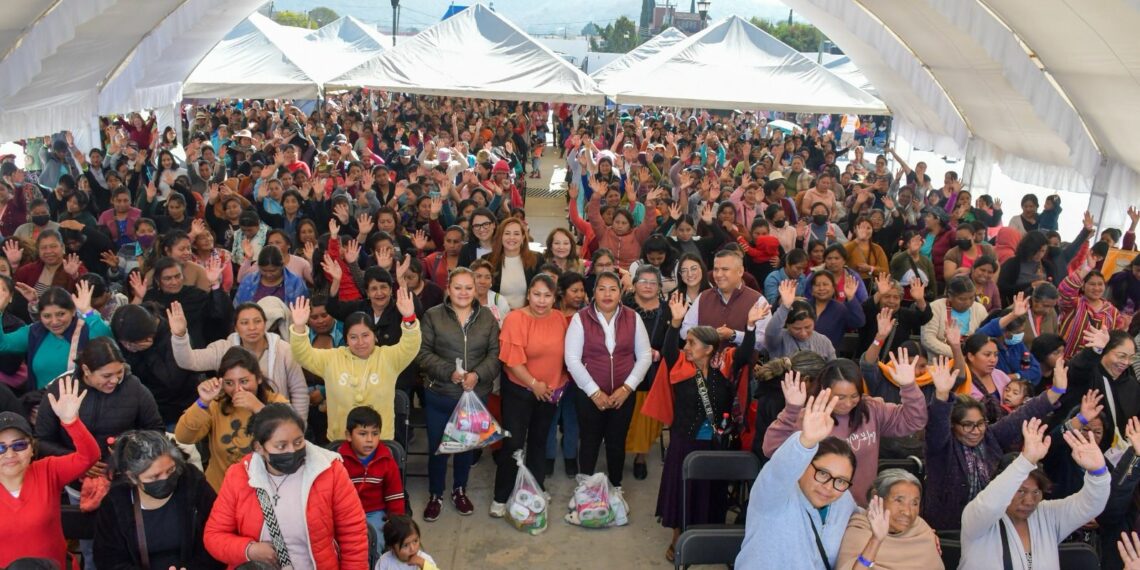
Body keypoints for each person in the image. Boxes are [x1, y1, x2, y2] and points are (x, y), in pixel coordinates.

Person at [644, 291, 762, 561]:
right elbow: (668, 349)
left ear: (709, 349)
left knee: (712, 491)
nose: (686, 348)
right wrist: (675, 323)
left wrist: (751, 327)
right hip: (684, 441)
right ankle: (678, 537)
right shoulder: (680, 368)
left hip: (717, 444)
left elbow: (746, 354)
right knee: (681, 490)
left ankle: (709, 537)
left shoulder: (727, 367)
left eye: (692, 344)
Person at [203, 404, 369, 567]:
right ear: (259, 448)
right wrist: (249, 550)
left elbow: (353, 534)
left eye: (298, 442)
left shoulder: (329, 470)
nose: (292, 450)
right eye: (281, 446)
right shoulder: (239, 476)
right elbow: (214, 536)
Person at [922, 355, 1071, 530]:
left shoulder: (990, 437)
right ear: (953, 425)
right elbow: (937, 424)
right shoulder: (941, 446)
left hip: (991, 527)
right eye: (967, 425)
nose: (976, 431)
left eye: (980, 424)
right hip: (948, 530)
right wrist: (941, 395)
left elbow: (1022, 415)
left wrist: (1056, 392)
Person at [764, 352, 927, 506]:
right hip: (819, 508)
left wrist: (908, 386)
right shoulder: (809, 417)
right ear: (824, 390)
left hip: (861, 508)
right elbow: (771, 449)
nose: (848, 403)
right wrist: (791, 410)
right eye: (840, 397)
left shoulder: (872, 409)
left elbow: (914, 420)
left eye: (854, 396)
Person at [958, 419, 1110, 569]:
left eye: (1036, 492)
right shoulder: (977, 519)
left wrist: (1098, 472)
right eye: (1021, 491)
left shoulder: (1047, 514)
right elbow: (990, 504)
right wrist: (1025, 461)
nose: (1029, 501)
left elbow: (1090, 505)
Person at [416, 268, 501, 521]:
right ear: (448, 289)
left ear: (476, 290)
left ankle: (459, 490)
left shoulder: (487, 318)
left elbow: (495, 355)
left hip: (474, 396)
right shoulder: (432, 316)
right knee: (438, 447)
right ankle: (436, 494)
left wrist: (477, 375)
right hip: (440, 394)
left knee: (465, 446)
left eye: (468, 287)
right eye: (458, 287)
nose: (463, 293)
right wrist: (448, 373)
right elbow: (422, 353)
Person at [735, 390, 856, 569]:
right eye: (822, 473)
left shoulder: (844, 501)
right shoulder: (773, 497)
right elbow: (780, 471)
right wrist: (806, 442)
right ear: (804, 465)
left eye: (841, 481)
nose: (829, 487)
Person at [288, 289, 419, 444]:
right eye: (353, 337)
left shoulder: (389, 357)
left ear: (375, 336)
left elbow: (410, 346)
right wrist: (299, 327)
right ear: (346, 340)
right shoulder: (332, 358)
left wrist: (409, 318)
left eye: (365, 335)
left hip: (380, 441)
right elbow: (302, 354)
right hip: (340, 441)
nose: (360, 342)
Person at [565, 270, 652, 492]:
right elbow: (572, 360)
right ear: (593, 292)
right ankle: (584, 488)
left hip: (622, 395)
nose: (607, 294)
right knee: (589, 441)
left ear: (620, 293)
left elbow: (644, 356)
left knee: (617, 441)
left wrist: (627, 388)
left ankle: (616, 486)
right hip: (588, 395)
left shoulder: (633, 317)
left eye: (613, 289)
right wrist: (594, 392)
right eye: (601, 288)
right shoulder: (581, 318)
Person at [490, 274, 569, 516]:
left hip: (550, 393)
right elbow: (512, 361)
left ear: (554, 297)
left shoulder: (559, 319)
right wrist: (534, 384)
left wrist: (551, 387)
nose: (542, 301)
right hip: (520, 391)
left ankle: (536, 487)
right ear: (528, 295)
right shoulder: (516, 319)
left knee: (539, 441)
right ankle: (500, 497)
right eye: (537, 294)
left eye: (547, 296)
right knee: (513, 442)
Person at [0, 376, 97, 567]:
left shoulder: (48, 470)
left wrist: (71, 422)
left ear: (32, 448)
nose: (10, 454)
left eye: (19, 445)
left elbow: (89, 456)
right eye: (0, 448)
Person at [93, 430, 222, 569]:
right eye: (154, 477)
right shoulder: (116, 502)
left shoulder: (193, 484)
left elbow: (218, 537)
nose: (165, 479)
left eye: (171, 470)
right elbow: (108, 560)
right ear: (132, 477)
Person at [169, 301, 308, 419]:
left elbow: (299, 391)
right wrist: (180, 335)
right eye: (244, 323)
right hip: (232, 420)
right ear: (236, 327)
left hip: (276, 418)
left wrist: (298, 427)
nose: (252, 328)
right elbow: (188, 361)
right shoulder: (224, 348)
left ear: (265, 324)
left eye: (257, 321)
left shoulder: (284, 350)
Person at [174, 346, 289, 490]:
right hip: (222, 491)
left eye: (244, 381)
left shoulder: (277, 402)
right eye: (229, 383)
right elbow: (183, 437)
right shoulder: (216, 405)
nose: (237, 389)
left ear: (258, 378)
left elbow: (290, 437)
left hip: (268, 490)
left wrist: (259, 408)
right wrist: (202, 402)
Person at [0, 281, 112, 390]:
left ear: (73, 311)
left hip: (81, 404)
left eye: (61, 314)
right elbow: (3, 344)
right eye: (47, 316)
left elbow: (107, 342)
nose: (54, 322)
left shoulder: (85, 329)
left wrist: (87, 312)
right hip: (41, 403)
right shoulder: (34, 332)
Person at [836, 469, 944, 570]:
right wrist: (876, 540)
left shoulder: (921, 530)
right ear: (875, 496)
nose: (907, 512)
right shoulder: (859, 530)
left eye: (914, 503)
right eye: (899, 500)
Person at [681, 250, 770, 351]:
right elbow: (685, 330)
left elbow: (765, 342)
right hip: (702, 365)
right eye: (715, 269)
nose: (718, 275)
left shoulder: (758, 300)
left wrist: (734, 335)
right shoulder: (704, 297)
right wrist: (706, 336)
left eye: (725, 269)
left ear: (740, 271)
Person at [338, 406, 406, 531]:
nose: (370, 440)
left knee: (376, 538)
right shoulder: (338, 461)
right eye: (363, 434)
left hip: (374, 513)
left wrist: (397, 524)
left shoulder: (386, 461)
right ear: (349, 435)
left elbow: (395, 496)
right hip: (345, 513)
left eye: (375, 434)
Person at [1058, 254, 1126, 358]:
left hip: (1093, 365)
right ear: (1083, 286)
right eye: (1092, 284)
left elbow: (1116, 338)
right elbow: (1065, 289)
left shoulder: (1112, 311)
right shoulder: (1074, 303)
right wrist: (1087, 268)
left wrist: (1125, 328)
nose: (1097, 288)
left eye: (1100, 284)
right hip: (1066, 360)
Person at [976, 293, 1042, 387]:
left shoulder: (1018, 344)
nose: (1020, 335)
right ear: (1004, 331)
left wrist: (1015, 376)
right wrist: (1013, 315)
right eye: (1017, 332)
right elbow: (979, 334)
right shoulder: (986, 344)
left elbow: (1036, 370)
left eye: (1022, 331)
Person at [765, 281, 838, 359]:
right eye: (797, 328)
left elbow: (833, 368)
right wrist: (785, 306)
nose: (803, 333)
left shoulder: (824, 342)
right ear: (787, 325)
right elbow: (771, 332)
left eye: (808, 327)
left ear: (814, 321)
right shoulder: (779, 340)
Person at [921, 275, 988, 358]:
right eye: (962, 299)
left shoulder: (980, 309)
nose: (968, 303)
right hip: (940, 361)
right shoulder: (935, 308)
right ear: (950, 296)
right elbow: (927, 339)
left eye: (971, 298)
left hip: (972, 360)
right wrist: (958, 354)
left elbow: (986, 338)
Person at [485, 217, 540, 310]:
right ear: (501, 236)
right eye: (507, 233)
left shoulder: (537, 259)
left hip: (528, 315)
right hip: (497, 316)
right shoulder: (488, 260)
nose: (511, 237)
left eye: (516, 234)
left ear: (523, 237)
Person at [803, 270, 865, 349]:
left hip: (828, 357)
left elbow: (859, 323)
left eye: (825, 284)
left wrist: (851, 297)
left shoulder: (840, 309)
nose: (821, 288)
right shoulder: (803, 306)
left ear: (833, 288)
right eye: (817, 285)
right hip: (802, 355)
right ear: (812, 290)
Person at [997, 230, 1054, 306]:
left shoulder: (1047, 265)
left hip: (1043, 306)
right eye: (1036, 251)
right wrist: (1031, 286)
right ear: (1028, 248)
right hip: (1017, 305)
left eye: (1043, 251)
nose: (1040, 254)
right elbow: (1002, 288)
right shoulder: (1013, 264)